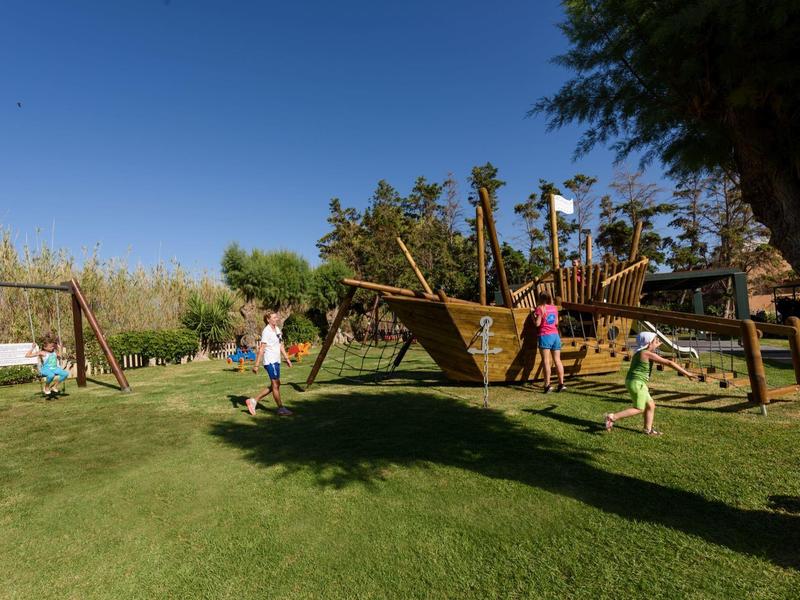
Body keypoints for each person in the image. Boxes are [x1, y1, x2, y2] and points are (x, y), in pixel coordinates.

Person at [604, 331, 695, 435]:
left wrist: (653, 346)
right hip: (637, 383)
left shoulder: (640, 352)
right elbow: (669, 362)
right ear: (649, 343)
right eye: (655, 340)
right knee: (639, 408)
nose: (657, 342)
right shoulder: (646, 353)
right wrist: (687, 373)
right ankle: (612, 417)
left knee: (651, 405)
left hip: (634, 382)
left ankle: (648, 430)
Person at [246, 311, 293, 416]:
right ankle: (280, 408)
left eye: (277, 317)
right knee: (275, 384)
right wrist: (256, 365)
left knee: (276, 384)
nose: (277, 318)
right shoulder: (266, 331)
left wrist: (287, 358)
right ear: (268, 319)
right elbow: (262, 348)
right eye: (274, 317)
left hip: (276, 361)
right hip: (270, 361)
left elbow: (281, 345)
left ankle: (253, 400)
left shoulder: (277, 329)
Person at [534, 292, 565, 393]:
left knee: (546, 361)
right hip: (555, 336)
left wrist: (532, 317)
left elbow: (538, 323)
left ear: (540, 298)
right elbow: (556, 322)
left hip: (545, 336)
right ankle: (561, 384)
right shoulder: (554, 308)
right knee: (558, 360)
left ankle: (547, 385)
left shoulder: (540, 308)